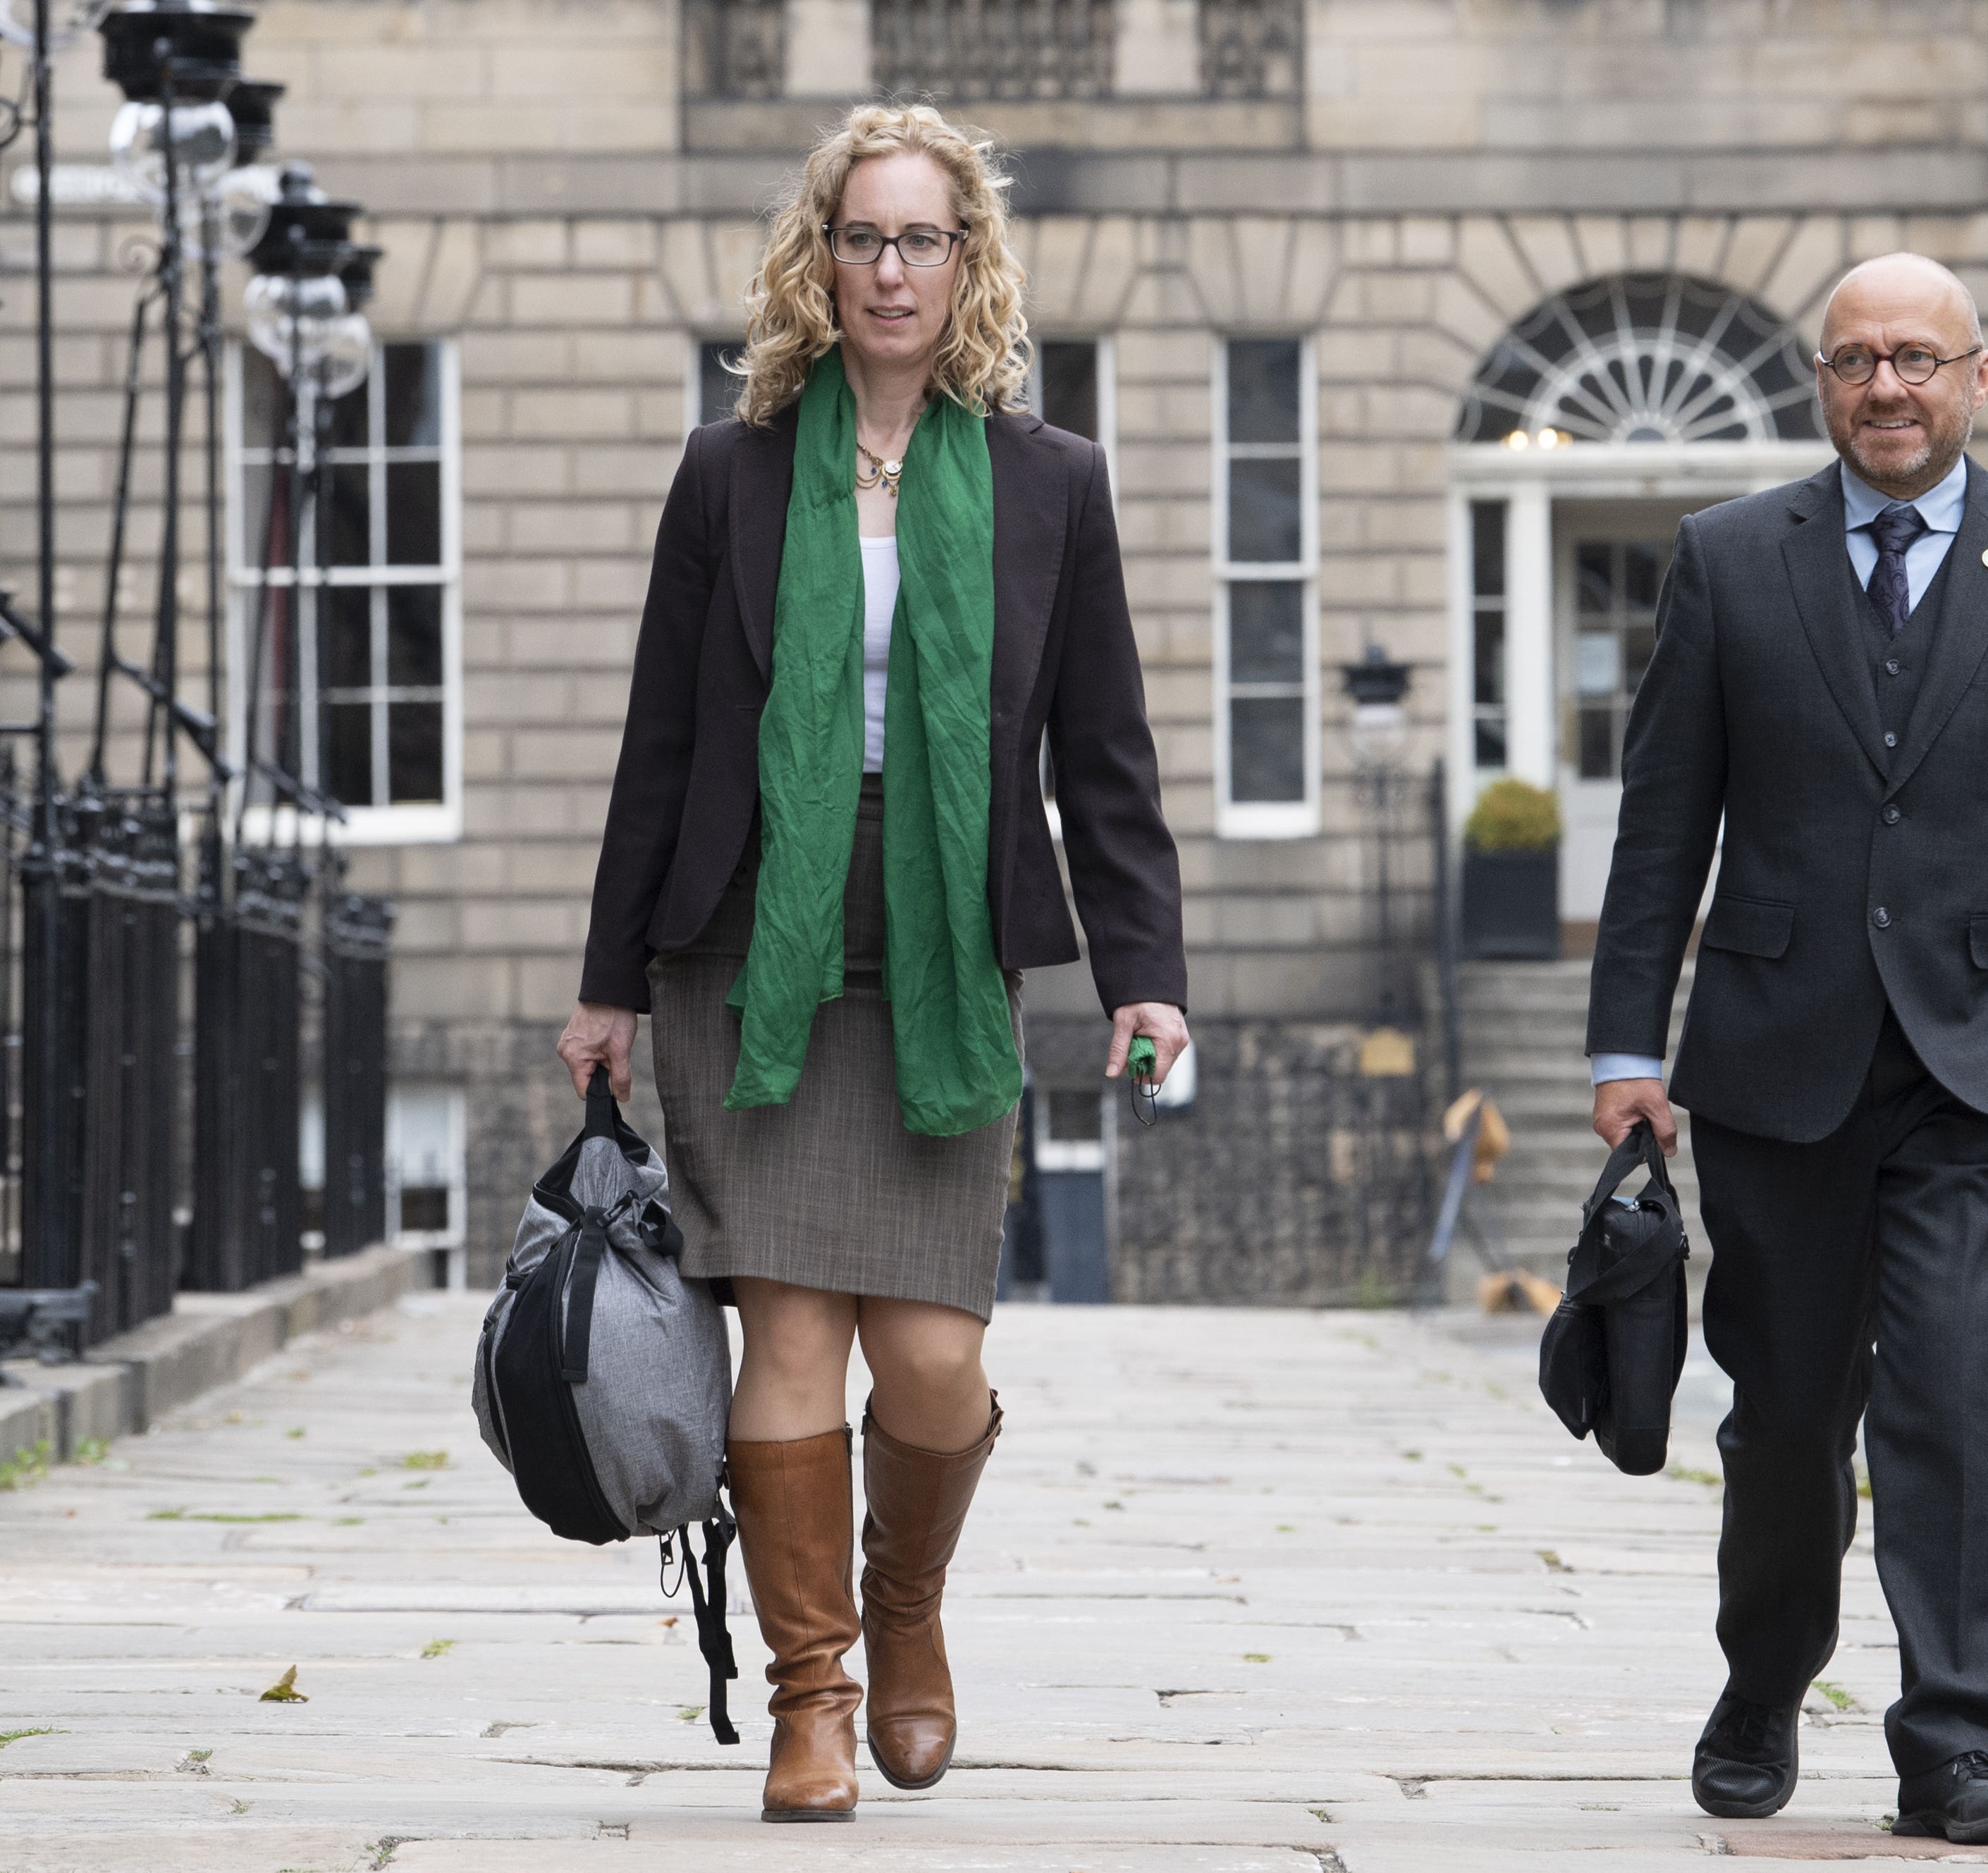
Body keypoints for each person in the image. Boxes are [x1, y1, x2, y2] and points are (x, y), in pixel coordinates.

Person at [561, 102, 1187, 1824]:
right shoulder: (734, 468)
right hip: (747, 946)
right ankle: (813, 1697)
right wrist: (607, 979)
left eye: (923, 239)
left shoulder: (1053, 482)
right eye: (862, 237)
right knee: (788, 1334)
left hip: (941, 950)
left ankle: (907, 1614)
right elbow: (663, 745)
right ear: (816, 261)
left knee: (927, 1356)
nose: (890, 269)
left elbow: (1103, 748)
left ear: (968, 263)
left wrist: (1144, 968)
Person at [1584, 252, 1988, 1841]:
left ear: (1976, 378)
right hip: (1777, 1058)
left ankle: (1953, 1742)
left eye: (1916, 358)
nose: (1885, 387)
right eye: (1854, 361)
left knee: (1961, 1396)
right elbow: (1659, 826)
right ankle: (1763, 1678)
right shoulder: (1723, 560)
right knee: (1782, 1414)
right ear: (1818, 384)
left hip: (1984, 1059)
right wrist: (1623, 1043)